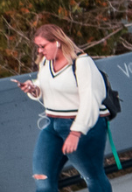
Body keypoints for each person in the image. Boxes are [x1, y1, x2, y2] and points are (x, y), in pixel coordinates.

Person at [17, 25, 114, 192]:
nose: (39, 51)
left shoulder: (82, 63)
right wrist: (34, 88)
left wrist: (76, 132)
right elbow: (45, 84)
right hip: (53, 125)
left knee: (93, 177)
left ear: (57, 43)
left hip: (84, 126)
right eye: (38, 47)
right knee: (43, 180)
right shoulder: (46, 62)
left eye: (43, 46)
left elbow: (91, 100)